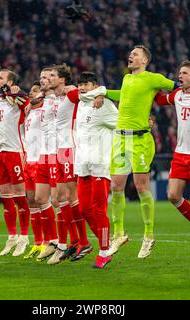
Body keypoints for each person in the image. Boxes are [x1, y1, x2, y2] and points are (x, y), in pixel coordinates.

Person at [96, 45, 179, 258]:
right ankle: (119, 234)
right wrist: (103, 93)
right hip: (120, 139)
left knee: (142, 187)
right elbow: (123, 96)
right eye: (130, 54)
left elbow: (178, 87)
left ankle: (148, 236)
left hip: (140, 140)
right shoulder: (127, 79)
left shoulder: (153, 78)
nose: (130, 56)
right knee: (116, 186)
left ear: (144, 60)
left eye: (135, 54)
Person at [154, 60, 190, 259]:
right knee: (173, 195)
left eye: (184, 73)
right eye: (179, 73)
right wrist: (152, 85)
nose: (180, 76)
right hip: (180, 153)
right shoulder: (177, 95)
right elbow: (160, 100)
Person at [48, 64, 92, 264]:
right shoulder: (54, 98)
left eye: (52, 76)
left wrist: (74, 88)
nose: (48, 79)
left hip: (69, 148)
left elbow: (87, 95)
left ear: (62, 80)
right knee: (59, 198)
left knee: (71, 195)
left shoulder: (71, 94)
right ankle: (74, 239)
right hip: (57, 150)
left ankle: (84, 241)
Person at [74, 71, 118, 268]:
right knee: (84, 210)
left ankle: (104, 251)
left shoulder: (105, 104)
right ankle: (105, 244)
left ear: (95, 85)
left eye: (87, 84)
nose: (82, 87)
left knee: (99, 210)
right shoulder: (80, 105)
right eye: (80, 84)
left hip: (100, 166)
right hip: (83, 166)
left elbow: (121, 123)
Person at [0, 69, 31, 257]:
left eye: (0, 78)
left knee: (19, 196)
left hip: (16, 151)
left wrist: (14, 91)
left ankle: (24, 236)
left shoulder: (17, 98)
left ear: (10, 81)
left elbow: (27, 99)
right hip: (1, 153)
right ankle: (12, 236)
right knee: (6, 197)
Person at [33, 67, 61, 262]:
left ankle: (63, 242)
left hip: (56, 152)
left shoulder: (60, 98)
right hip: (43, 153)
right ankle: (52, 240)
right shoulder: (43, 101)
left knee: (59, 200)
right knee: (40, 198)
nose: (44, 80)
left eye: (48, 77)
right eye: (42, 77)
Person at [23, 81, 46, 259]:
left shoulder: (45, 110)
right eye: (30, 90)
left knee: (42, 201)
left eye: (35, 91)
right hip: (28, 160)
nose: (31, 93)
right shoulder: (28, 112)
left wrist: (40, 96)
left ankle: (49, 240)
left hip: (40, 161)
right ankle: (37, 242)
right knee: (31, 201)